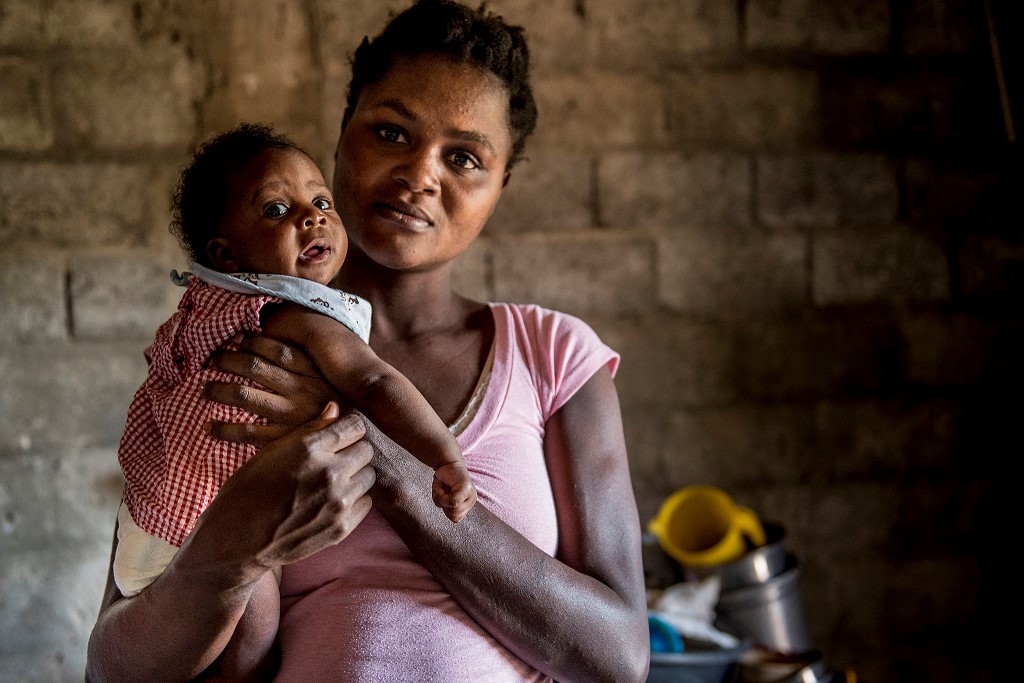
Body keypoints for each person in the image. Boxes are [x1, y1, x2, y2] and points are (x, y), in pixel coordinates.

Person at [86, 0, 650, 681]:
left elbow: (620, 657)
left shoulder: (553, 355)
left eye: (465, 156)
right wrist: (230, 551)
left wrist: (375, 453)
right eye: (390, 133)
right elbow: (112, 666)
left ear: (501, 184)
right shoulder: (236, 350)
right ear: (342, 134)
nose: (421, 175)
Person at [112, 122, 477, 679]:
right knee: (254, 627)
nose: (313, 217)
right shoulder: (296, 314)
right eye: (276, 211)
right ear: (225, 253)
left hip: (148, 517)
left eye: (320, 200)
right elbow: (377, 385)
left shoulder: (204, 310)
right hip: (214, 523)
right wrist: (444, 454)